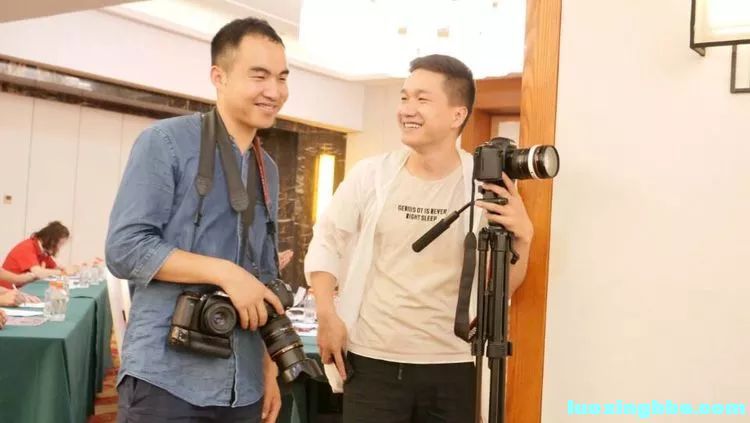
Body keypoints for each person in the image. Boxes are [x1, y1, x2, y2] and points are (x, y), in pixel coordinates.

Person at [304, 54, 534, 422]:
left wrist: (523, 238)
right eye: (404, 97)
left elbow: (502, 288)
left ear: (457, 115)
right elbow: (327, 240)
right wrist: (326, 315)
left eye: (422, 99)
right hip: (372, 362)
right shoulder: (371, 175)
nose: (407, 109)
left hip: (454, 365)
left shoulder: (484, 182)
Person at [106, 17, 289, 423]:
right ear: (218, 77)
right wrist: (225, 272)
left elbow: (262, 278)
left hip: (244, 384)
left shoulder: (268, 169)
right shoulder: (165, 142)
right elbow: (125, 248)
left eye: (282, 78)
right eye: (259, 76)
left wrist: (268, 367)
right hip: (167, 377)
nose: (274, 91)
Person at [0, 221, 76, 289]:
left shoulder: (42, 250)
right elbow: (38, 272)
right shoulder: (27, 247)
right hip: (8, 290)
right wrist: (62, 272)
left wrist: (64, 269)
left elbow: (55, 268)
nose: (59, 248)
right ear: (51, 240)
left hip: (22, 287)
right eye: (60, 244)